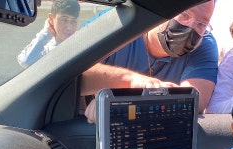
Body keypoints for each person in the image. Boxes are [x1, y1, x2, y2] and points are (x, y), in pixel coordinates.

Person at [80, 0, 218, 122]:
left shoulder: (204, 44)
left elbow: (193, 99)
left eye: (201, 24)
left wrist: (120, 105)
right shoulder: (116, 23)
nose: (191, 27)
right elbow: (71, 73)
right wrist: (132, 81)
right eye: (185, 15)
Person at [17, 0, 81, 68]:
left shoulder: (82, 44)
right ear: (51, 18)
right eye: (63, 20)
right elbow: (26, 61)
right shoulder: (46, 49)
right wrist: (47, 32)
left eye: (73, 21)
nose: (69, 27)